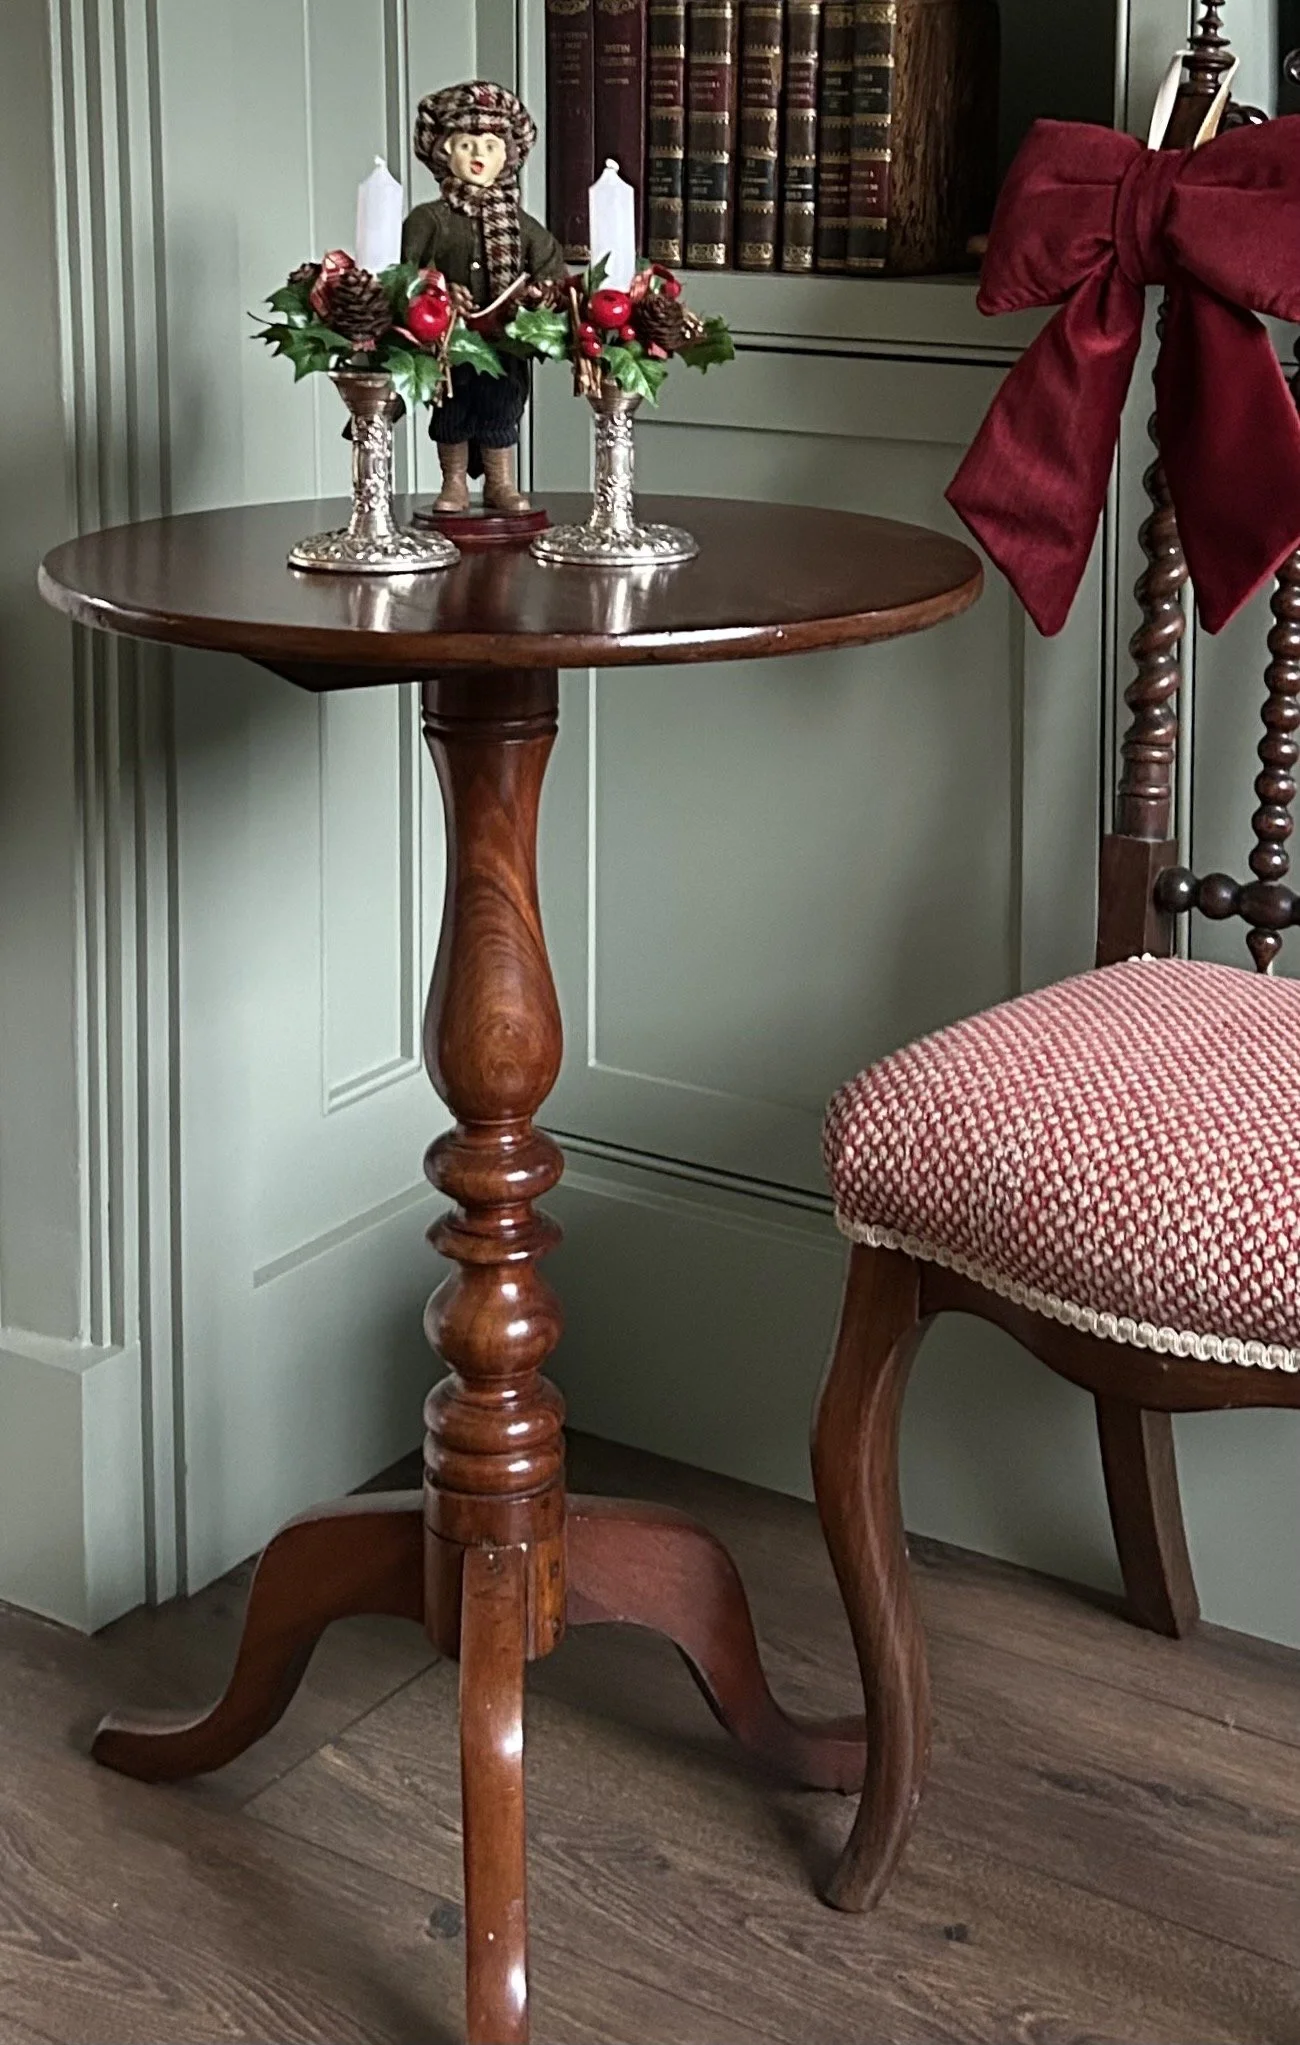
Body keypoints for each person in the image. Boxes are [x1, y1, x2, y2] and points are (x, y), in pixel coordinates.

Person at [405, 80, 566, 514]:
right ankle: (453, 482)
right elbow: (400, 274)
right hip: (449, 345)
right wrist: (434, 288)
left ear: (508, 157)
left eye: (491, 146)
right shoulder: (429, 220)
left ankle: (500, 483)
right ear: (444, 152)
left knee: (501, 412)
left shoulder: (520, 223)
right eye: (467, 144)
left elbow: (551, 268)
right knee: (452, 414)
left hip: (503, 344)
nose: (479, 156)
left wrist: (540, 295)